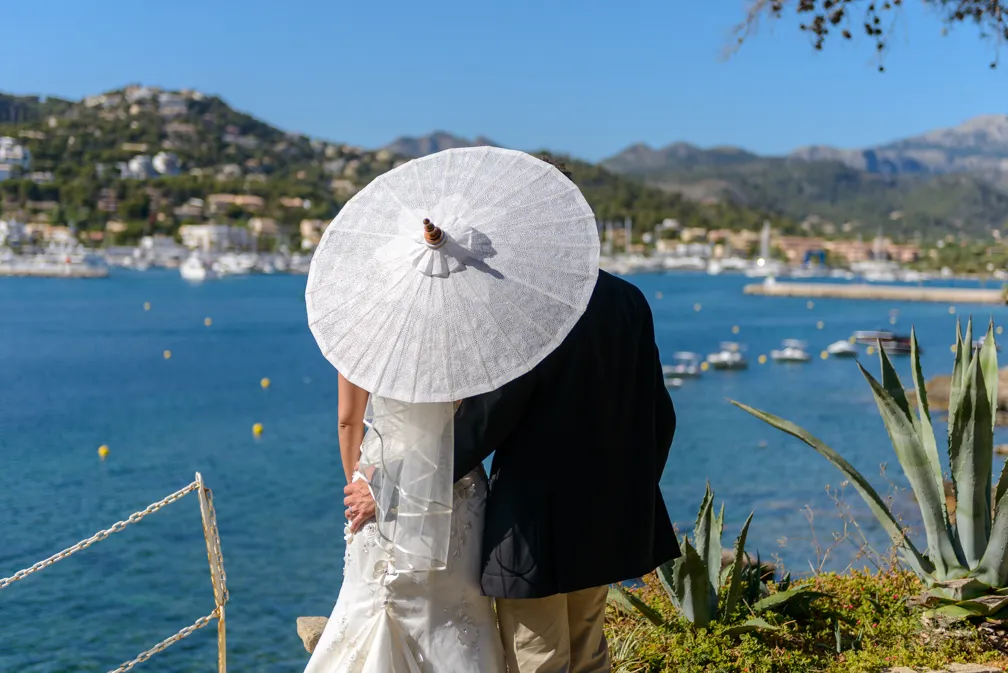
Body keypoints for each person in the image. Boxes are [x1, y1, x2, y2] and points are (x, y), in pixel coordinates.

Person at [345, 267, 680, 673]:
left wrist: (390, 486)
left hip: (533, 525)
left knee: (539, 660)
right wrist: (631, 493)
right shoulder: (627, 297)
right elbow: (661, 414)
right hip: (607, 518)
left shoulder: (531, 307)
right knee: (589, 655)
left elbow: (486, 419)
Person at [303, 374, 507, 672]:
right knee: (452, 615)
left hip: (377, 478)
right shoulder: (464, 332)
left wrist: (364, 491)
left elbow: (348, 421)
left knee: (375, 607)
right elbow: (477, 419)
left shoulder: (362, 332)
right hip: (454, 487)